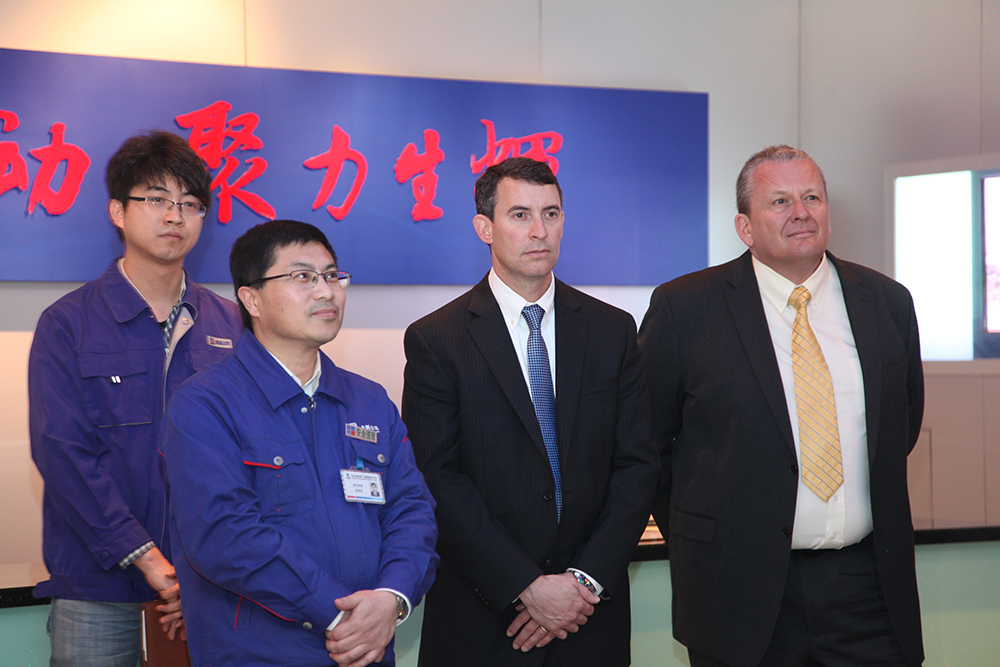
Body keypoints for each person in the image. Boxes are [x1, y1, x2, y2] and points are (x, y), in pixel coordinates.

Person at [638, 145, 924, 667]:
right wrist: (706, 532)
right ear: (745, 227)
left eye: (812, 197)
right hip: (735, 592)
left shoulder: (888, 302)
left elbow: (899, 427)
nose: (801, 213)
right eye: (780, 201)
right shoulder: (684, 309)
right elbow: (646, 444)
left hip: (868, 591)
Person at [402, 157, 658, 666]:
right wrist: (525, 586)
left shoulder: (612, 330)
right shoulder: (437, 339)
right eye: (520, 215)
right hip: (484, 616)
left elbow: (638, 465)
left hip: (589, 617)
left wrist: (582, 583)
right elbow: (438, 478)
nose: (539, 231)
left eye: (551, 214)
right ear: (485, 228)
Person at [162, 219, 438, 667]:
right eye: (303, 277)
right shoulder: (204, 404)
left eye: (332, 276)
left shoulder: (369, 400)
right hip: (259, 654)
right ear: (251, 298)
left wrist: (391, 598)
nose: (326, 292)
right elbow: (225, 536)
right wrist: (338, 614)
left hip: (366, 649)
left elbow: (412, 511)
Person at [28, 130, 243, 666]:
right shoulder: (67, 323)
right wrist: (146, 557)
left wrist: (202, 570)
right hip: (97, 586)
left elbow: (248, 455)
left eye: (190, 204)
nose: (175, 216)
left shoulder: (233, 324)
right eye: (156, 199)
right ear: (118, 212)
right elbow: (63, 452)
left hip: (210, 585)